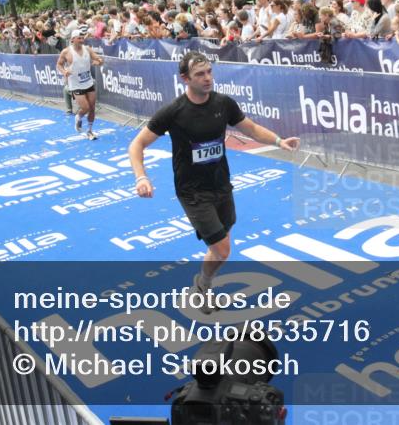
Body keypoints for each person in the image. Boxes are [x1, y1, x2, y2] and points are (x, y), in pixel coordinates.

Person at [127, 52, 300, 314]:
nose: (207, 78)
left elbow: (250, 129)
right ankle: (203, 285)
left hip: (222, 185)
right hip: (193, 192)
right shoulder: (173, 112)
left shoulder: (223, 103)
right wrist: (141, 176)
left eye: (209, 72)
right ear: (185, 78)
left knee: (221, 248)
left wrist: (279, 142)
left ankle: (203, 286)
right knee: (222, 248)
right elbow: (137, 144)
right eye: (199, 74)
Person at [56, 28, 104, 140]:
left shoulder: (87, 49)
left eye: (82, 38)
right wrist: (64, 72)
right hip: (76, 84)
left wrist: (99, 61)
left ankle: (90, 131)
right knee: (85, 107)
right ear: (73, 39)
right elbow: (59, 65)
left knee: (92, 107)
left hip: (88, 82)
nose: (82, 40)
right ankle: (78, 117)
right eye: (79, 38)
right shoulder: (66, 52)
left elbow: (98, 59)